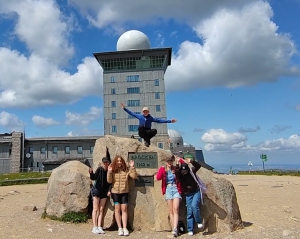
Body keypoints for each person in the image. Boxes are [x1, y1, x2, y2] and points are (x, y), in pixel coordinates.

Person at [107, 155, 138, 236]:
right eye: (118, 161)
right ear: (115, 162)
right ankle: (119, 228)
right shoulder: (113, 170)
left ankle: (125, 228)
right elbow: (109, 181)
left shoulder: (126, 170)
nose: (119, 162)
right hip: (115, 192)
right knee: (117, 209)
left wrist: (132, 167)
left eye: (120, 161)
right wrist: (109, 172)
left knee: (124, 209)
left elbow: (134, 176)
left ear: (122, 162)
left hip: (124, 192)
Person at [156, 155, 182, 237]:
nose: (169, 162)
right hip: (168, 189)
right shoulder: (164, 170)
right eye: (168, 161)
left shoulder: (175, 169)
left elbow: (180, 174)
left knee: (176, 209)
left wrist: (179, 161)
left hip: (176, 188)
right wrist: (161, 169)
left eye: (170, 161)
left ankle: (175, 228)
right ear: (166, 162)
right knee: (171, 210)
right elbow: (158, 177)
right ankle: (174, 229)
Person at [177, 157, 203, 236]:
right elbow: (176, 172)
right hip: (188, 194)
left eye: (185, 171)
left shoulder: (192, 171)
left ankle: (199, 221)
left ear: (188, 170)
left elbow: (198, 166)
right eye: (183, 171)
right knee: (189, 212)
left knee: (194, 206)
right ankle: (190, 229)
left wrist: (191, 161)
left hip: (196, 192)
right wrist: (178, 164)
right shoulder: (180, 175)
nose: (184, 172)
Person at [89, 157, 111, 234]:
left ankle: (99, 226)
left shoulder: (110, 171)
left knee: (101, 209)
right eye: (104, 162)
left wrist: (109, 190)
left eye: (106, 162)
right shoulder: (99, 169)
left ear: (108, 163)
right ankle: (94, 227)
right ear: (102, 163)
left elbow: (110, 182)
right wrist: (91, 173)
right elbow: (94, 177)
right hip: (97, 190)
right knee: (95, 209)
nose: (105, 164)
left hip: (104, 192)